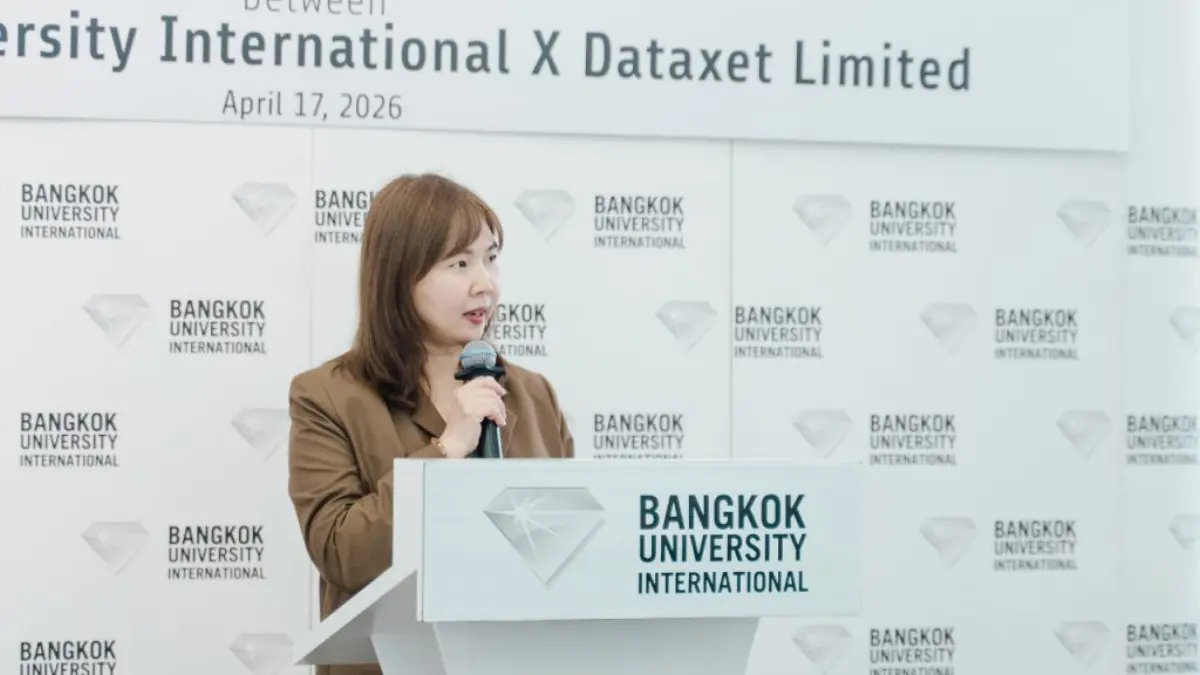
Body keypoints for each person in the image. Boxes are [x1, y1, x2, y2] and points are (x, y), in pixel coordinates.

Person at [286, 173, 575, 675]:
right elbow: (343, 553)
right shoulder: (327, 396)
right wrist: (446, 448)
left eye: (490, 258)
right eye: (459, 263)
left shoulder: (534, 396)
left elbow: (570, 550)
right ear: (400, 276)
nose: (484, 283)